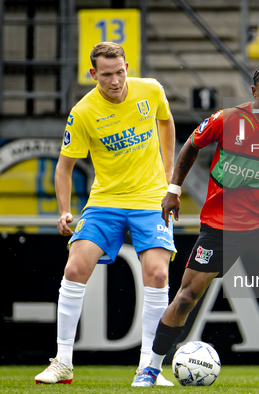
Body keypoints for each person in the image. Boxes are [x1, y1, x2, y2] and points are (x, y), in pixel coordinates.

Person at [132, 61, 259, 387]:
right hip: (221, 225)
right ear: (254, 92)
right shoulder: (227, 119)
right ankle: (151, 368)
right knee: (187, 296)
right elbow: (191, 146)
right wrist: (173, 190)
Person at [34, 42, 176, 386]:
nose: (115, 81)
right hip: (105, 201)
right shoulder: (83, 112)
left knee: (157, 275)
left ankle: (148, 368)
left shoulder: (151, 90)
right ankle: (63, 362)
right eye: (107, 75)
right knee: (74, 267)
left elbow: (167, 124)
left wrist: (171, 179)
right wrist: (65, 211)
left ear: (128, 66)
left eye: (120, 72)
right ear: (93, 74)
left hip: (150, 200)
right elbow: (63, 168)